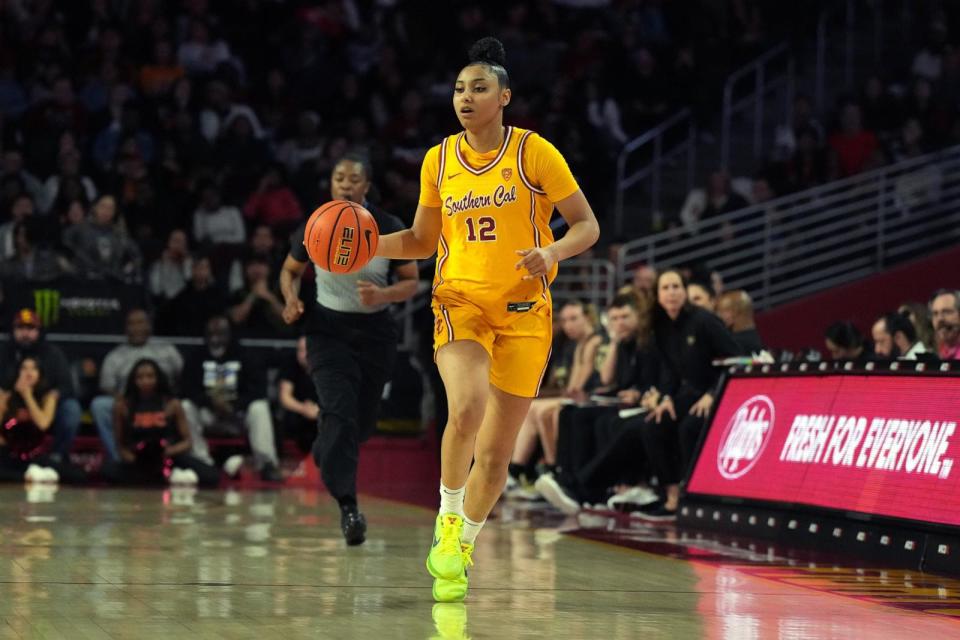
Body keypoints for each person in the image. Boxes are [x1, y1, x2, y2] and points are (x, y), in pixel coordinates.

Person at [371, 37, 599, 602]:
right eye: (458, 89)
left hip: (525, 312)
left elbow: (587, 226)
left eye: (478, 88)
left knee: (496, 455)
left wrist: (551, 253)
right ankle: (448, 518)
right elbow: (424, 242)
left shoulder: (534, 153)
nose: (465, 98)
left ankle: (465, 543)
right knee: (466, 406)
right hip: (460, 304)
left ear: (504, 96)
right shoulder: (439, 159)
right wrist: (369, 244)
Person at [279, 152, 419, 546]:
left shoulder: (388, 227)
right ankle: (349, 508)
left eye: (352, 179)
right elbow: (289, 270)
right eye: (338, 178)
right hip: (327, 330)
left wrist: (384, 294)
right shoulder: (316, 223)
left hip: (376, 333)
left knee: (359, 424)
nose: (344, 184)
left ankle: (326, 452)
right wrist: (290, 300)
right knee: (340, 413)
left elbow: (410, 281)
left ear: (367, 186)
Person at [180, 316, 282, 482]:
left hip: (238, 415)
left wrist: (234, 405)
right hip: (208, 414)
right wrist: (211, 402)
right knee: (184, 406)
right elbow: (187, 389)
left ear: (230, 334)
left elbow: (258, 390)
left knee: (260, 407)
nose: (215, 337)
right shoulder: (195, 357)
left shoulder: (245, 355)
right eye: (211, 333)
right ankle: (202, 461)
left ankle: (266, 464)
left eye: (221, 333)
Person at [102, 359, 219, 487]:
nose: (145, 381)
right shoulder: (122, 407)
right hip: (137, 460)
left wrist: (167, 453)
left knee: (211, 476)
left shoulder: (172, 404)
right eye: (140, 377)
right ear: (133, 380)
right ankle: (160, 478)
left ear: (158, 378)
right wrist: (136, 460)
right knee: (108, 471)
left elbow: (187, 442)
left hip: (168, 457)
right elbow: (120, 446)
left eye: (150, 376)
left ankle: (164, 476)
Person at [92, 309, 183, 461]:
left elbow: (181, 378)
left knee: (184, 405)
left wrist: (169, 399)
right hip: (130, 404)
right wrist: (122, 400)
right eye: (131, 324)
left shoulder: (167, 350)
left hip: (161, 404)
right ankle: (119, 458)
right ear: (125, 329)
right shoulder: (115, 356)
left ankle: (176, 456)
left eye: (140, 323)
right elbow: (106, 387)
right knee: (99, 405)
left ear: (149, 326)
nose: (136, 328)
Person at [0, 309, 81, 460]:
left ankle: (57, 455)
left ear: (39, 330)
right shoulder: (4, 351)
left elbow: (66, 387)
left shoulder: (53, 353)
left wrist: (50, 395)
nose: (25, 333)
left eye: (30, 328)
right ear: (13, 330)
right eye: (20, 328)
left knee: (71, 409)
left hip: (44, 404)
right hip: (12, 404)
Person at [0, 357, 85, 483]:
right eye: (24, 368)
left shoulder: (48, 397)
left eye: (34, 368)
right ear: (17, 372)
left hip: (35, 455)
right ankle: (27, 476)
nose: (28, 372)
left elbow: (43, 424)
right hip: (8, 453)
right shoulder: (5, 397)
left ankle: (30, 475)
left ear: (40, 374)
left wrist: (27, 396)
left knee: (78, 476)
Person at [277, 336, 321, 454]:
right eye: (300, 350)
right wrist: (303, 409)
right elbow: (285, 397)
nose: (302, 355)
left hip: (322, 414)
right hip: (298, 414)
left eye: (306, 350)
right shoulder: (290, 365)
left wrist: (320, 411)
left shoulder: (327, 368)